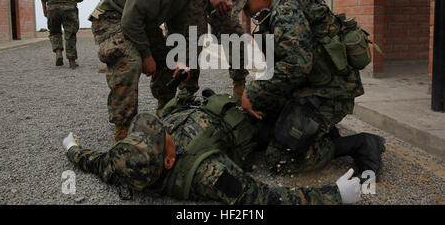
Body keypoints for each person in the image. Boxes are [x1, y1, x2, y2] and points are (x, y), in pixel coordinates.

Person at [225, 0, 385, 180]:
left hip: (331, 93)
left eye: (247, 6)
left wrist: (252, 92)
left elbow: (297, 64)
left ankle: (359, 144)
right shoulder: (281, 5)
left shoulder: (286, 10)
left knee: (281, 159)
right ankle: (315, 132)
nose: (247, 14)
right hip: (311, 86)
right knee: (259, 117)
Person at [62, 86, 362, 205]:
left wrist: (71, 148)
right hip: (240, 126)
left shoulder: (123, 162)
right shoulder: (209, 174)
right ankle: (350, 144)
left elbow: (94, 160)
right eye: (161, 136)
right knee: (287, 144)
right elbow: (267, 198)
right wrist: (335, 196)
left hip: (207, 105)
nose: (161, 128)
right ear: (169, 161)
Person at [89, 0, 228, 142]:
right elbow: (129, 21)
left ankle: (164, 114)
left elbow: (177, 27)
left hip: (142, 22)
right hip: (112, 18)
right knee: (130, 61)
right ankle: (123, 131)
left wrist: (179, 60)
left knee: (170, 65)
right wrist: (146, 56)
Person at [39, 0, 84, 69]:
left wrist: (45, 9)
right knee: (70, 34)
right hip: (69, 9)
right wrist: (74, 0)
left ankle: (58, 52)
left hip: (53, 9)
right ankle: (72, 61)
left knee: (54, 32)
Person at [98, 0, 123, 74]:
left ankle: (114, 62)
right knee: (102, 34)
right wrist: (97, 13)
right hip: (104, 9)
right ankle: (108, 60)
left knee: (114, 36)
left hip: (116, 11)